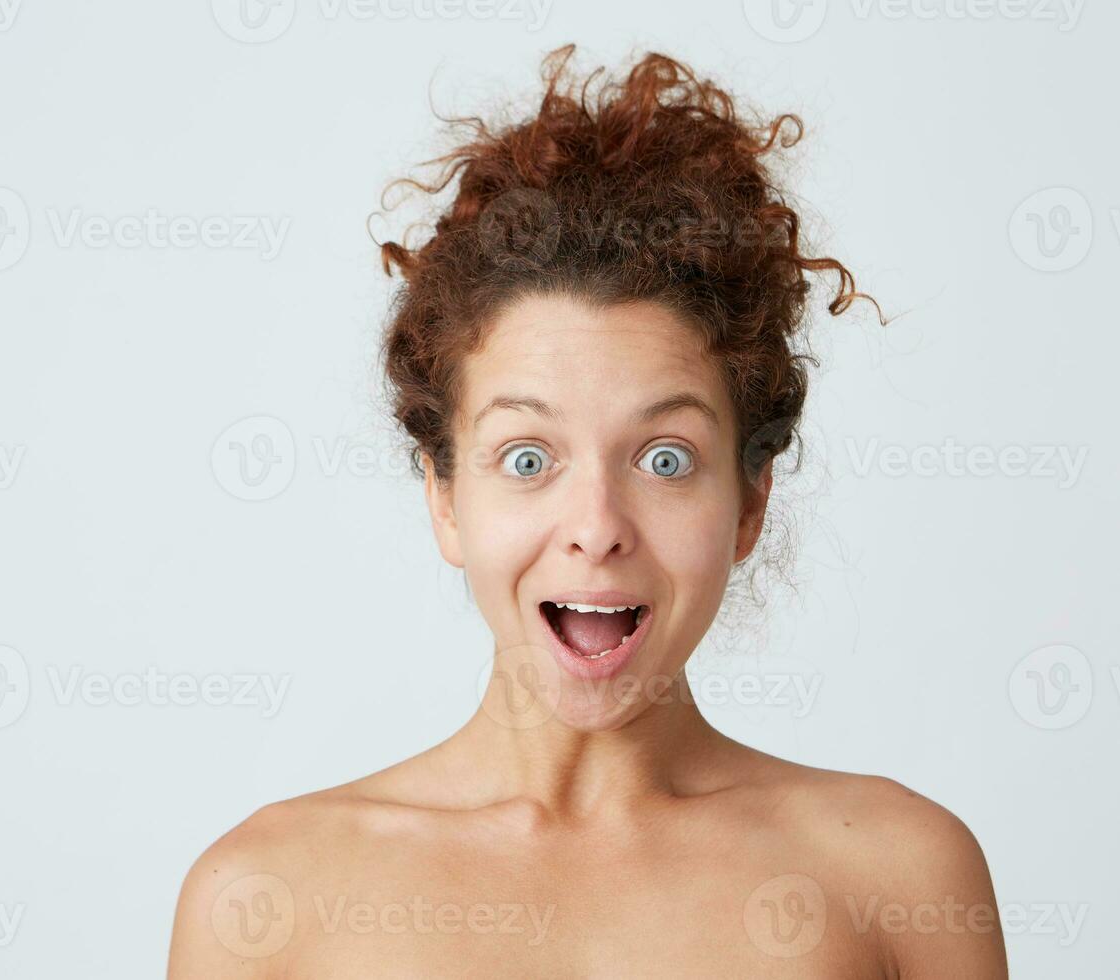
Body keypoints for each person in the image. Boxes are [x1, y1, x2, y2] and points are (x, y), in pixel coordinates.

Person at [167, 43, 1007, 978]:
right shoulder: (264, 899)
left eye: (664, 458)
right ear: (445, 497)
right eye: (528, 458)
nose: (597, 524)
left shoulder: (897, 879)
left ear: (750, 500)